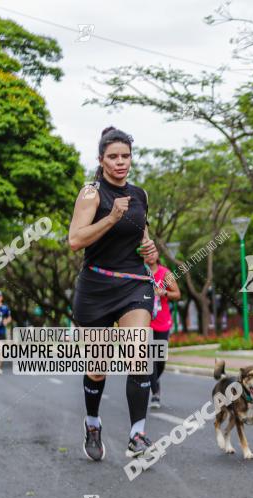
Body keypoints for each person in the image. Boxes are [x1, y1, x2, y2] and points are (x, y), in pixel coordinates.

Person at [68, 126, 158, 462]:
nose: (121, 162)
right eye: (113, 157)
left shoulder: (140, 194)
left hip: (134, 283)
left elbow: (142, 237)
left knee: (138, 352)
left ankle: (138, 435)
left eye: (126, 156)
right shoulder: (92, 194)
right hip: (95, 287)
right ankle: (93, 424)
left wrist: (150, 251)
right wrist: (111, 217)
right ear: (101, 160)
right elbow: (75, 240)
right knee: (97, 366)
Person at [147, 245, 180, 409]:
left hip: (162, 321)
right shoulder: (140, 273)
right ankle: (155, 393)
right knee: (150, 359)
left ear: (157, 254)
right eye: (147, 253)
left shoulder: (165, 273)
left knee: (160, 361)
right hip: (145, 323)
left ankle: (153, 380)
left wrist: (164, 293)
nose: (150, 255)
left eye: (153, 252)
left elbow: (177, 294)